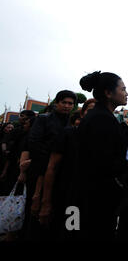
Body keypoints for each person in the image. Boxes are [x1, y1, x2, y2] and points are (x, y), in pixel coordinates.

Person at [77, 72, 128, 240]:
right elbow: (104, 163)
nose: (127, 93)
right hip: (96, 198)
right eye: (123, 89)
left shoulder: (102, 116)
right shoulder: (101, 120)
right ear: (108, 93)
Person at [38, 98, 96, 238]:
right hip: (69, 199)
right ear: (82, 114)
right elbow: (52, 167)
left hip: (91, 202)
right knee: (69, 231)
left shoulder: (101, 140)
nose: (95, 115)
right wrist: (45, 201)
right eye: (91, 111)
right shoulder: (69, 134)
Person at [25, 90, 76, 240]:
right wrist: (50, 161)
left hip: (61, 175)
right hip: (40, 172)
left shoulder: (72, 122)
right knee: (35, 211)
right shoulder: (43, 119)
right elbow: (33, 144)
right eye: (64, 102)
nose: (67, 106)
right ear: (56, 103)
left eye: (70, 103)